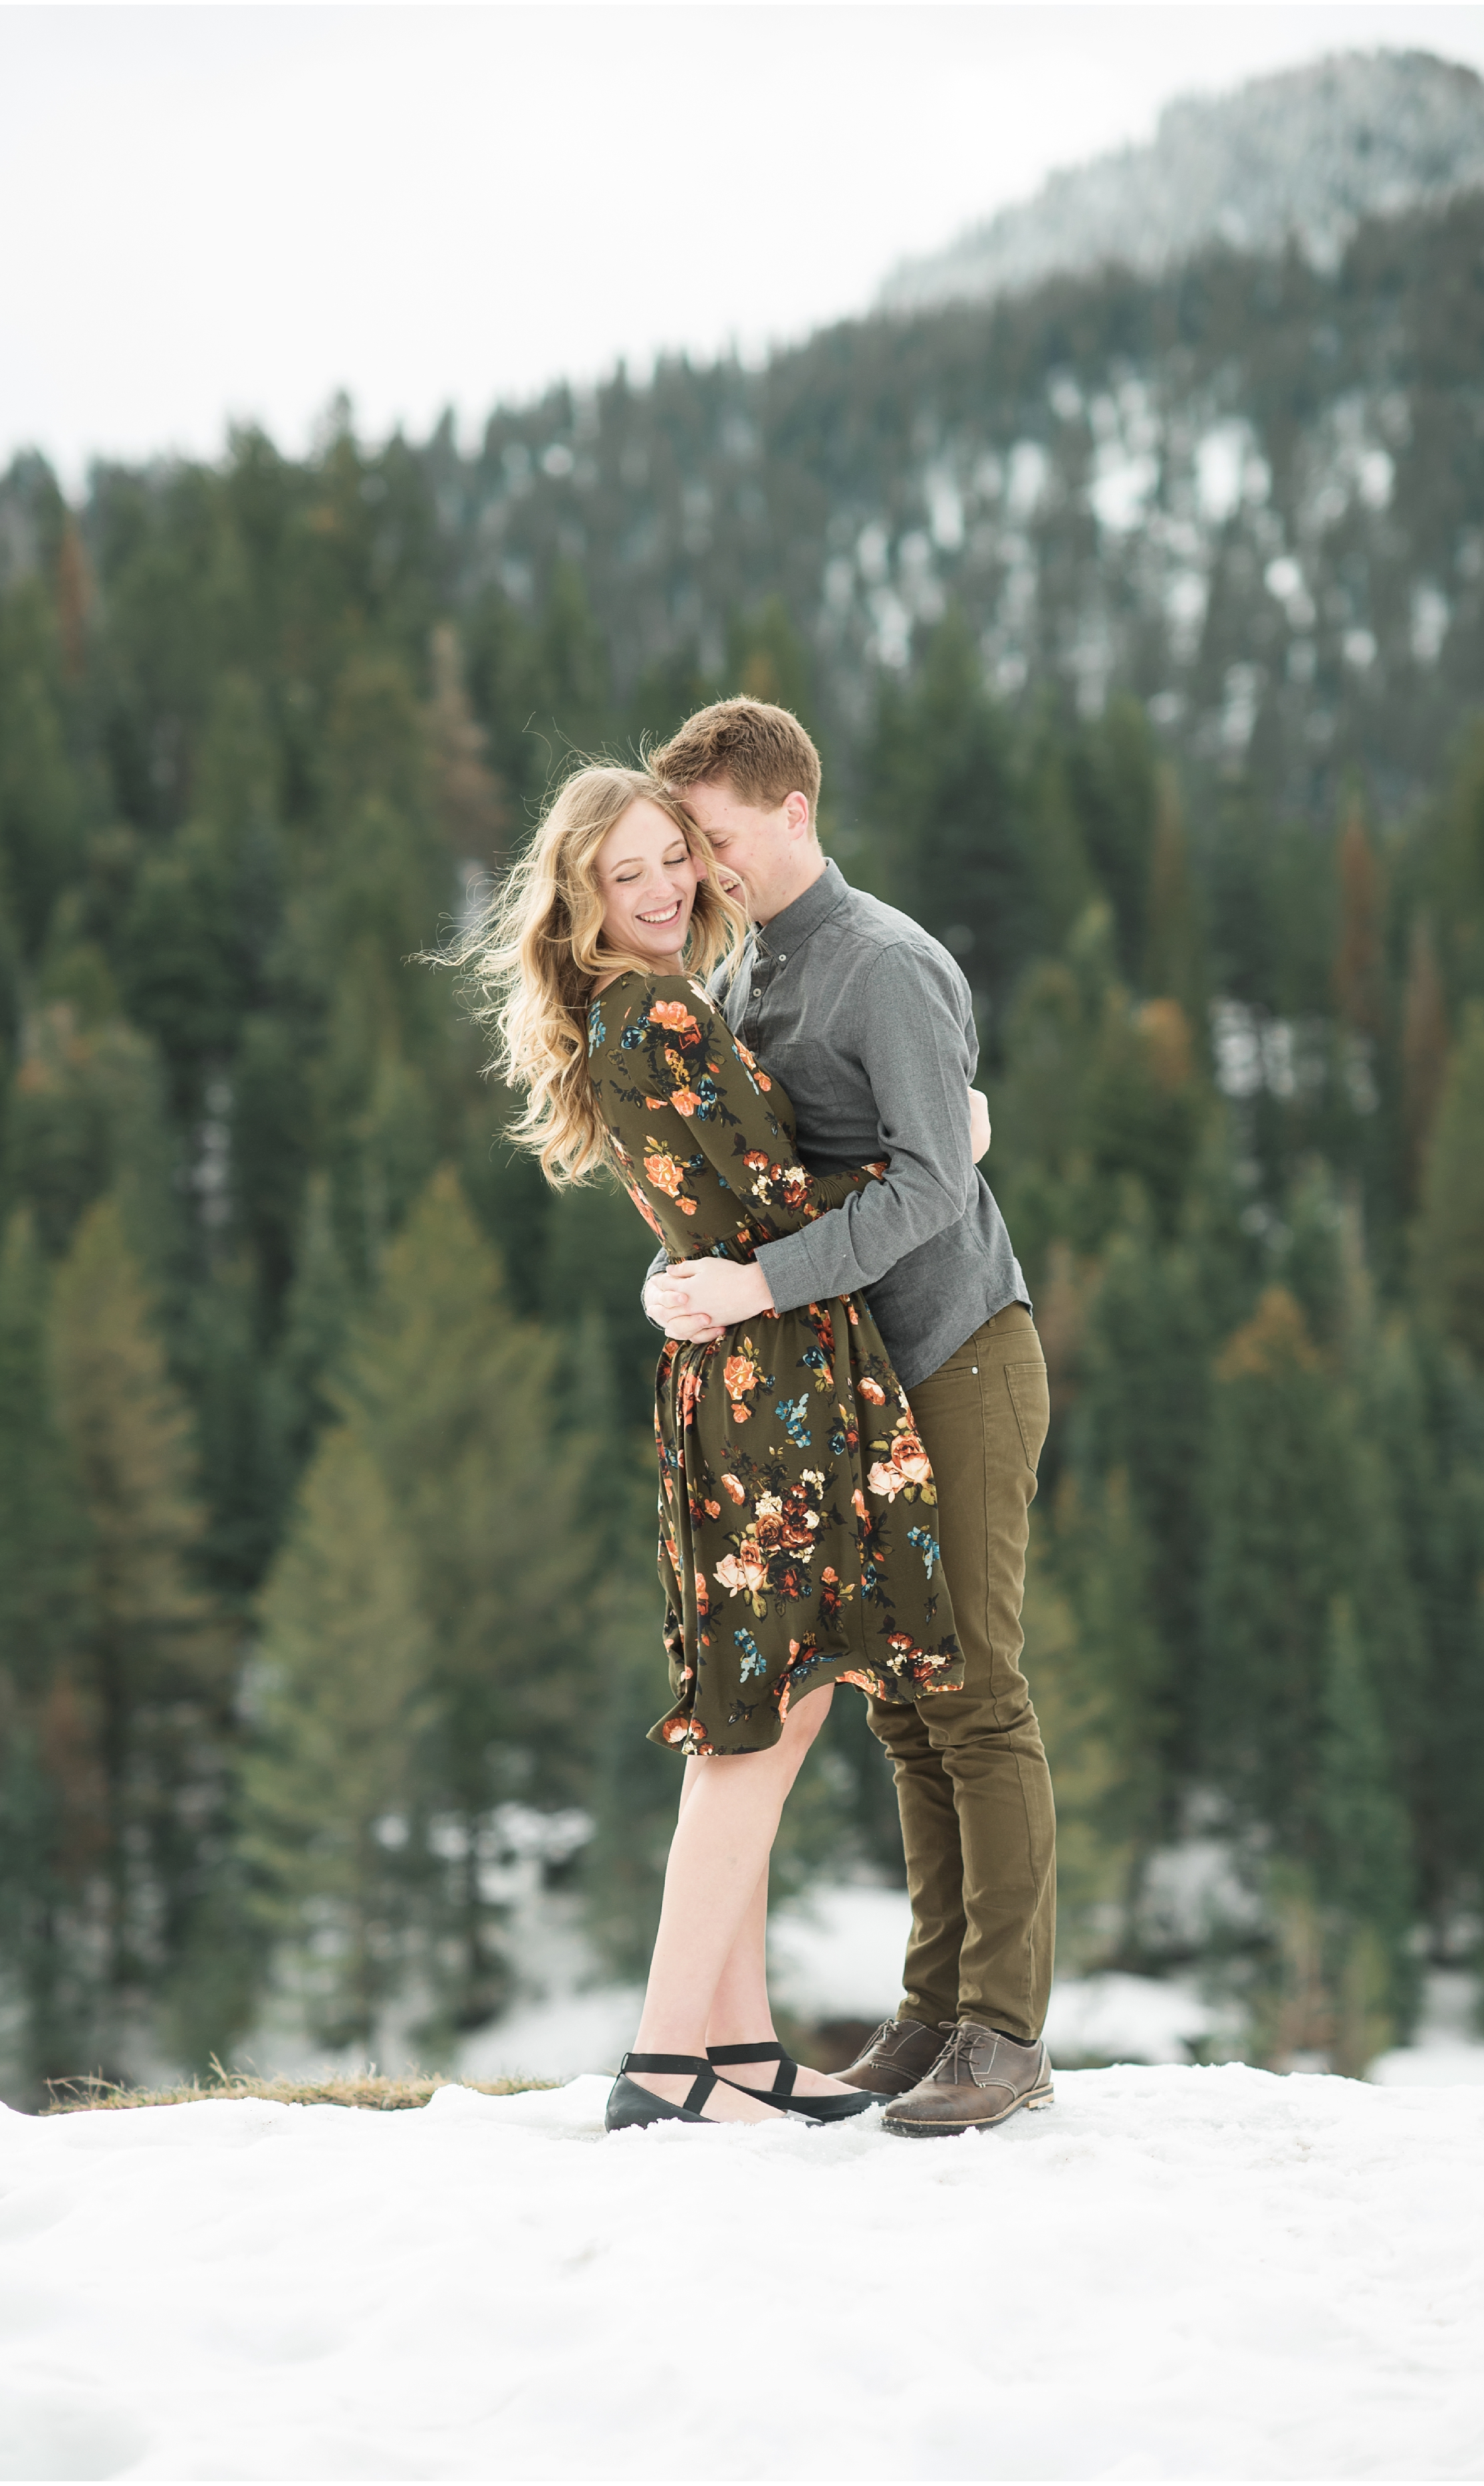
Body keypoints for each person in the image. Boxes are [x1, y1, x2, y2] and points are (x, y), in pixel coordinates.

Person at [470, 762, 977, 2132]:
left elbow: (716, 1212)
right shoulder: (657, 1016)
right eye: (621, 872)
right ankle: (658, 2060)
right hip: (770, 1379)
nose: (656, 888)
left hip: (756, 1371)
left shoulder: (650, 1007)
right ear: (578, 896)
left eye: (669, 859)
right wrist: (950, 1138)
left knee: (777, 1694)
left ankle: (739, 2051)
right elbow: (763, 1204)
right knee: (764, 1717)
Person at [642, 698, 1056, 2139]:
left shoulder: (881, 963)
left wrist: (753, 1288)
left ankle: (1003, 2035)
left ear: (791, 808)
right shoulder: (755, 967)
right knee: (903, 1700)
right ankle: (934, 2012)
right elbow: (762, 1174)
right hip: (858, 1382)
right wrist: (693, 1271)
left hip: (957, 1354)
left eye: (715, 837)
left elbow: (932, 1186)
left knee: (975, 1691)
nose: (699, 869)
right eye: (686, 844)